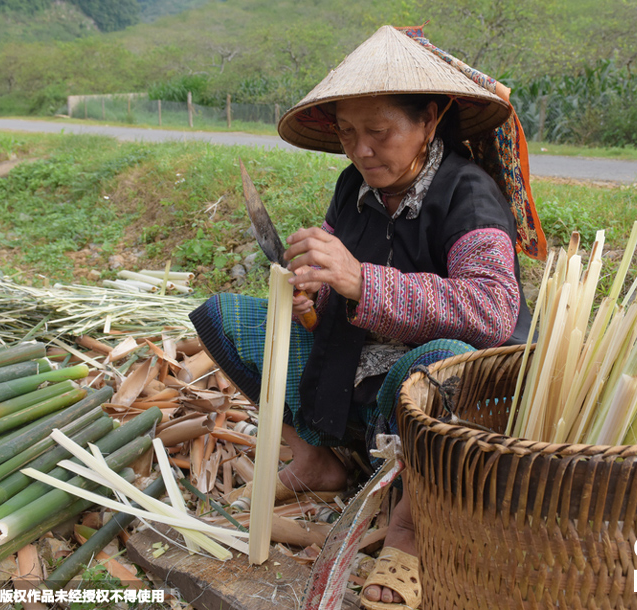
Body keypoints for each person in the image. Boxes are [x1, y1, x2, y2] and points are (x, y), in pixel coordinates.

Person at [190, 25, 546, 609]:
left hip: (448, 391)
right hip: (360, 370)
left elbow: (490, 310)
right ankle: (319, 459)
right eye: (349, 133)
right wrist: (312, 296)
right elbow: (335, 293)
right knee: (226, 316)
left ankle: (409, 523)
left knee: (445, 364)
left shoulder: (470, 195)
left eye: (379, 132)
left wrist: (361, 281)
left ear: (429, 120)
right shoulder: (353, 185)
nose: (361, 150)